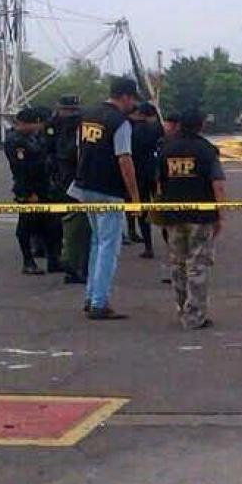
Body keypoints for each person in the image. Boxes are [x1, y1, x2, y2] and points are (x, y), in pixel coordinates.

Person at [67, 77, 141, 320]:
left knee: (97, 243)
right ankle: (99, 302)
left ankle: (91, 296)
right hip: (109, 189)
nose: (133, 105)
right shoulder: (120, 123)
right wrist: (135, 196)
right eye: (133, 99)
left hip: (84, 184)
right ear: (126, 97)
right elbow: (125, 159)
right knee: (109, 247)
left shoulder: (87, 115)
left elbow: (79, 149)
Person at [152, 108, 225, 330]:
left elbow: (158, 182)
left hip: (173, 214)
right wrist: (220, 214)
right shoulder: (206, 150)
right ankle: (195, 315)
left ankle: (182, 306)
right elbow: (217, 184)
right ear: (201, 125)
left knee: (177, 263)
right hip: (200, 215)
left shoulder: (166, 148)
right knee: (198, 264)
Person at [4, 108, 63, 274]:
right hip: (28, 188)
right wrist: (28, 193)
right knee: (27, 225)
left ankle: (54, 259)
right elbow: (21, 169)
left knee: (51, 224)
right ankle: (28, 261)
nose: (39, 126)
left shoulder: (33, 137)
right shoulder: (16, 141)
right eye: (36, 123)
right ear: (25, 124)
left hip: (43, 186)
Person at [48, 94, 88, 284]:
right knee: (77, 225)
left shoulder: (54, 124)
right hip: (74, 179)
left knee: (62, 222)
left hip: (59, 178)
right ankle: (73, 265)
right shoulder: (80, 126)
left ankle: (58, 259)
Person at [130, 101, 164, 258]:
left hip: (138, 174)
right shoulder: (157, 129)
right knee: (162, 207)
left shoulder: (133, 130)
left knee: (143, 210)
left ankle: (148, 246)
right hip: (156, 173)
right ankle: (169, 239)